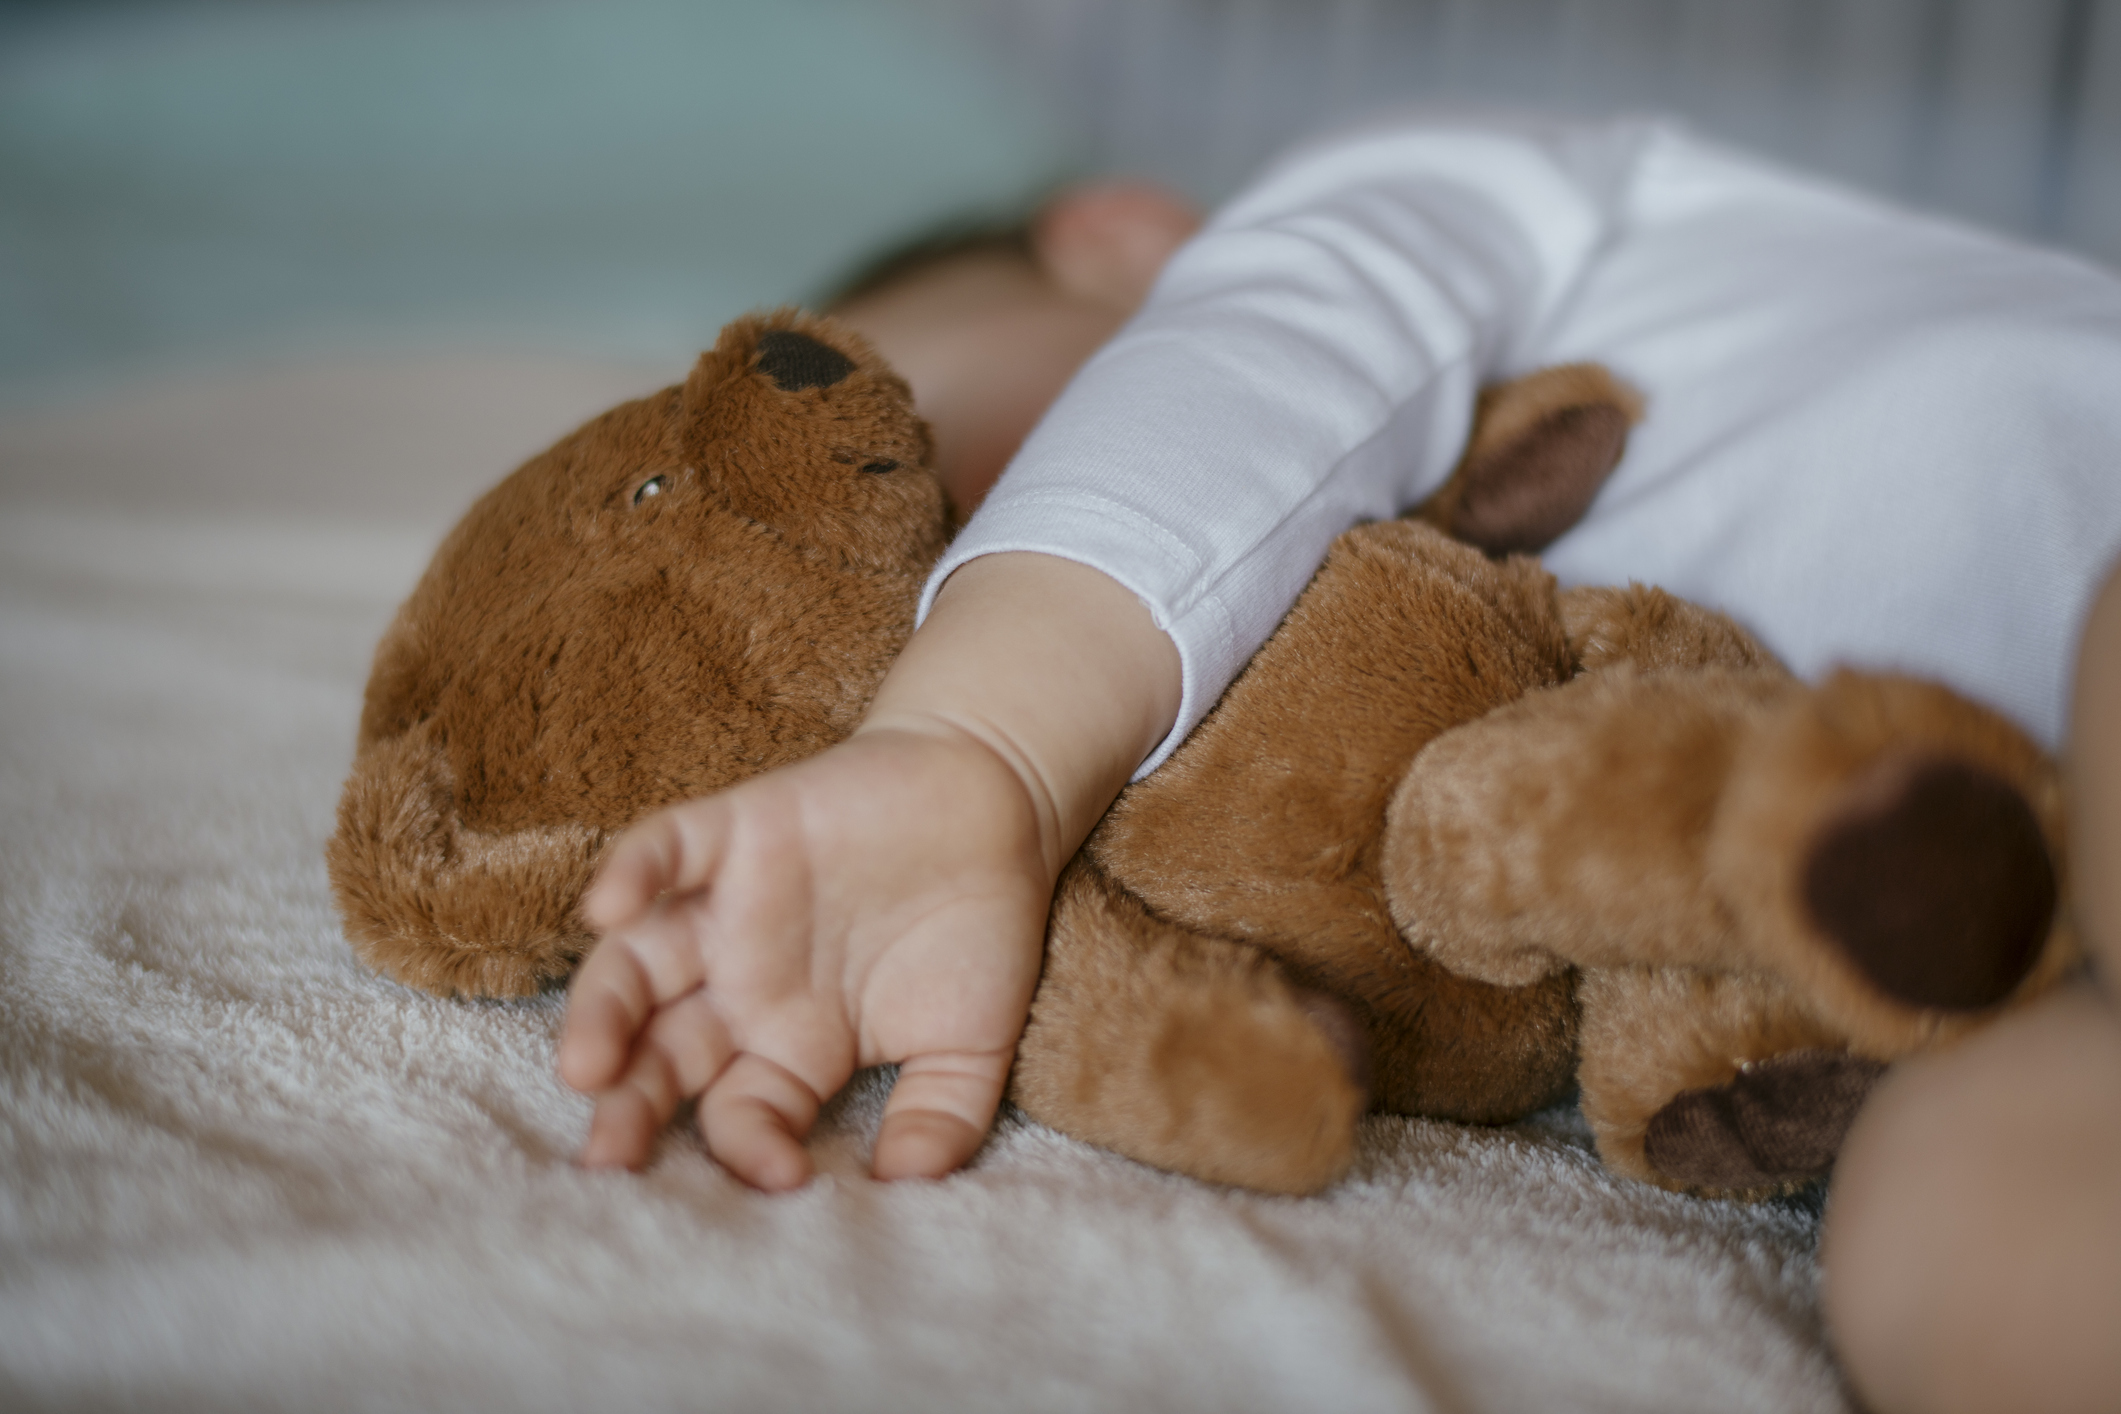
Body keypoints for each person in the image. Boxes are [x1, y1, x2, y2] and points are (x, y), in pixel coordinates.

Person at [554, 112, 2121, 1412]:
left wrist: (973, 744)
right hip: (2011, 968)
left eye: (933, 467)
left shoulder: (1408, 211)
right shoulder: (1378, 698)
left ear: (1116, 241)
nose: (949, 577)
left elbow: (1247, 369)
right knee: (1942, 1242)